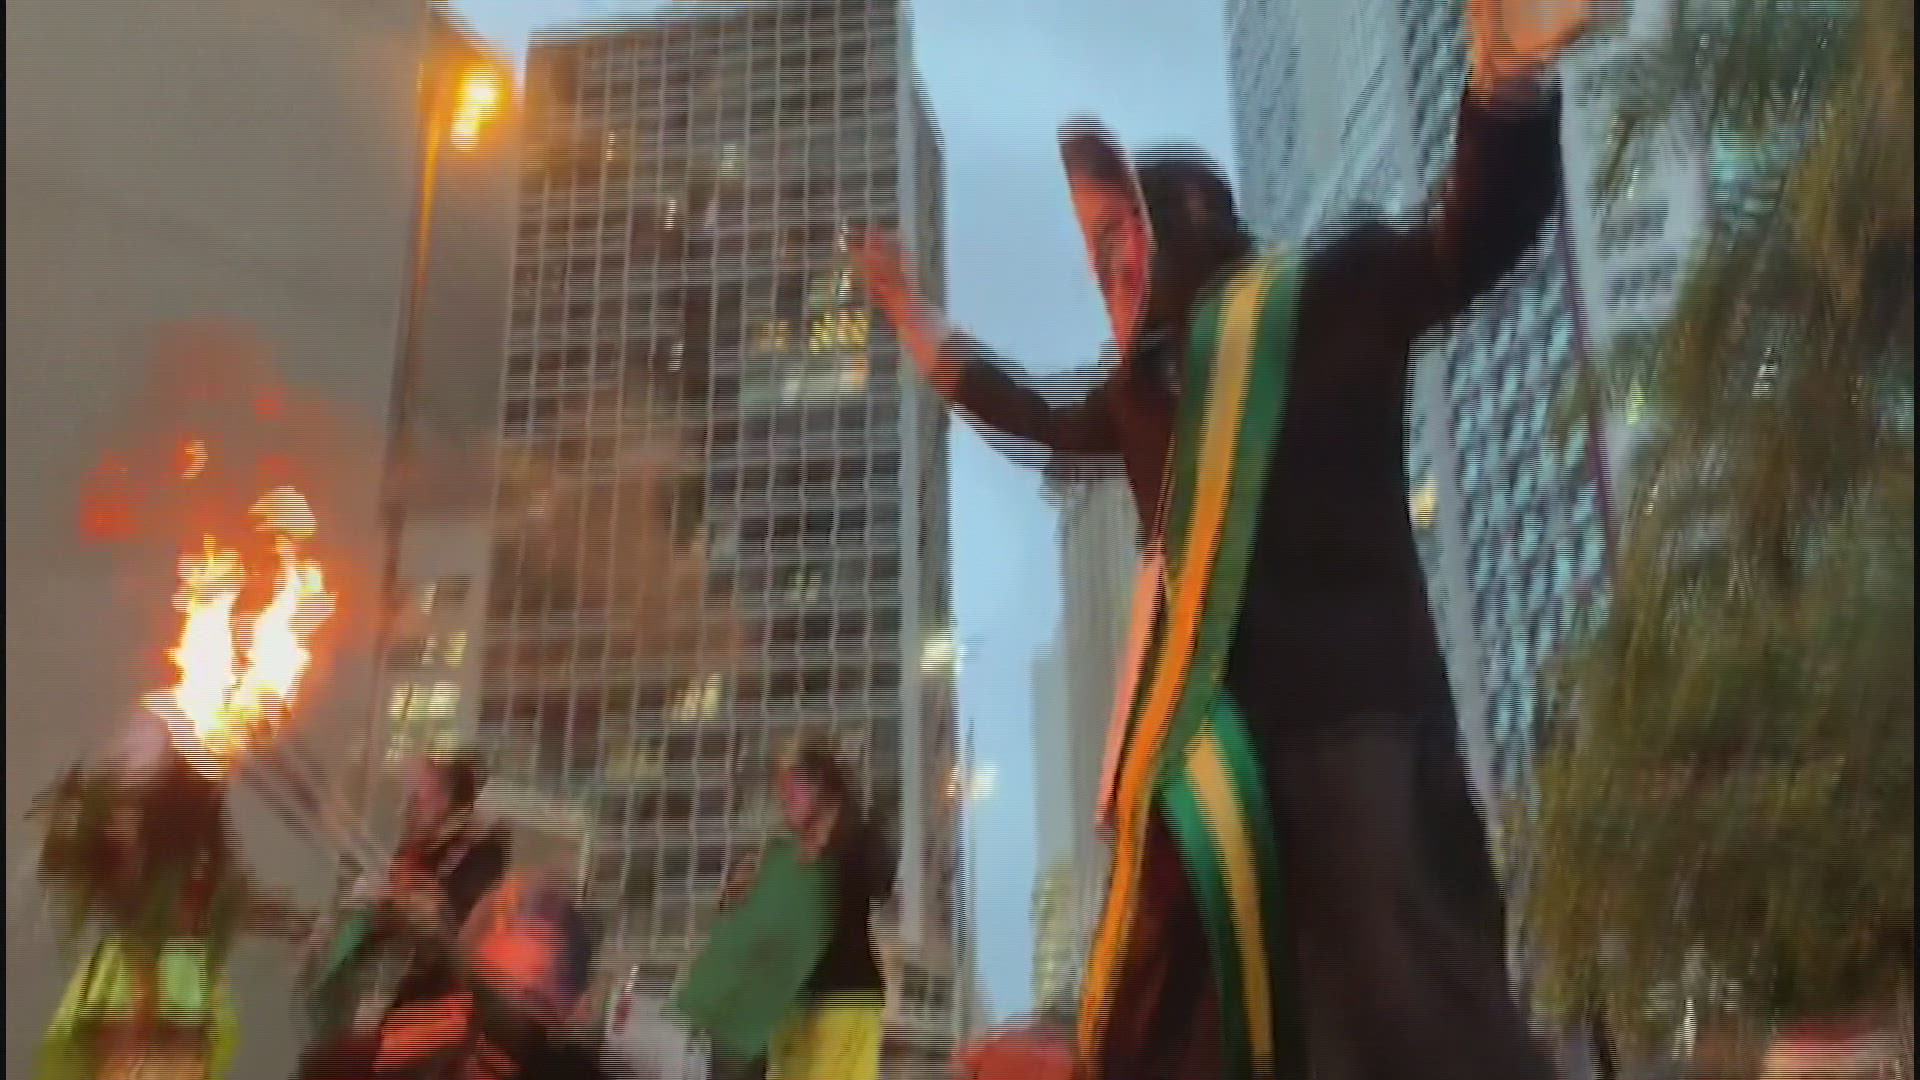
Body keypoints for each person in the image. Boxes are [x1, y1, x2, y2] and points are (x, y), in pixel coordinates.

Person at [847, 2, 1591, 1077]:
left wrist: (1505, 81)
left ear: (1179, 225)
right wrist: (913, 316)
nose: (1106, 273)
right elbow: (1028, 409)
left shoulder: (1326, 292)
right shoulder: (1139, 396)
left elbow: (1468, 238)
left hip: (1358, 727)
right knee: (1180, 1004)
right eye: (1095, 255)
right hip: (1209, 756)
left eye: (1119, 240)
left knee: (1407, 997)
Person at [722, 736, 894, 1080]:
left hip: (845, 995)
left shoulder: (860, 838)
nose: (783, 799)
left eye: (792, 789)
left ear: (820, 788)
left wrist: (820, 857)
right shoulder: (781, 851)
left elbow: (878, 885)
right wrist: (740, 896)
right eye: (781, 791)